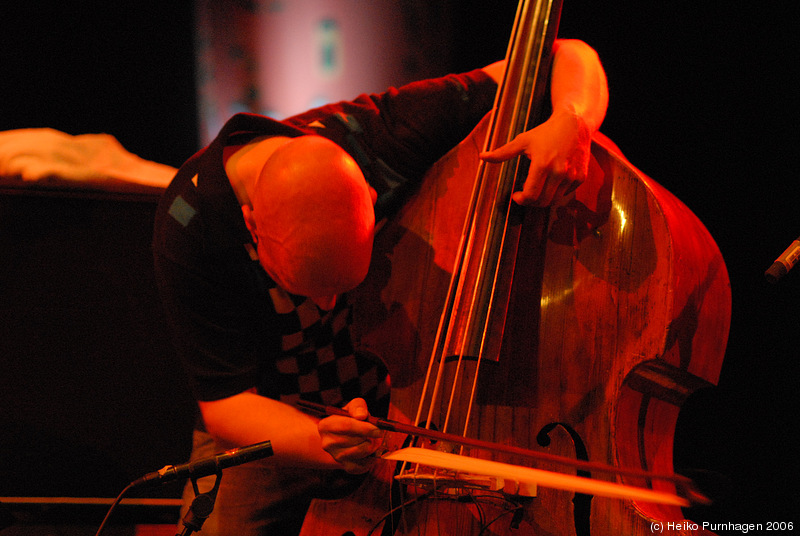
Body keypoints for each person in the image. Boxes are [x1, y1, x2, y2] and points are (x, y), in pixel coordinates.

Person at [153, 38, 608, 535]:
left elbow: (564, 55)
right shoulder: (190, 224)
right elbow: (227, 403)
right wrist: (321, 440)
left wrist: (574, 120)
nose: (328, 308)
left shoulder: (380, 136)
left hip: (407, 419)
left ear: (368, 196)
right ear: (252, 227)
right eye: (306, 289)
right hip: (271, 424)